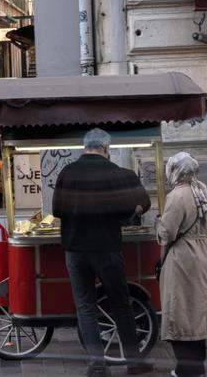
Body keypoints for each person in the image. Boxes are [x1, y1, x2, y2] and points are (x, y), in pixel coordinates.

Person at [52, 128, 153, 377]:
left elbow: (57, 211)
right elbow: (143, 202)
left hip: (75, 249)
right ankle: (133, 361)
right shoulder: (120, 174)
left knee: (86, 306)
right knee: (121, 304)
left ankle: (97, 364)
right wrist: (134, 211)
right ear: (106, 149)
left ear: (84, 147)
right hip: (107, 247)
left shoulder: (67, 172)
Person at [158, 152, 207, 377]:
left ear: (175, 171)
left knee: (180, 310)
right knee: (197, 311)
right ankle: (197, 366)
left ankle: (186, 368)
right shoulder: (201, 190)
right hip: (203, 252)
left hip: (184, 257)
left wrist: (159, 231)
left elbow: (167, 232)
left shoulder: (177, 195)